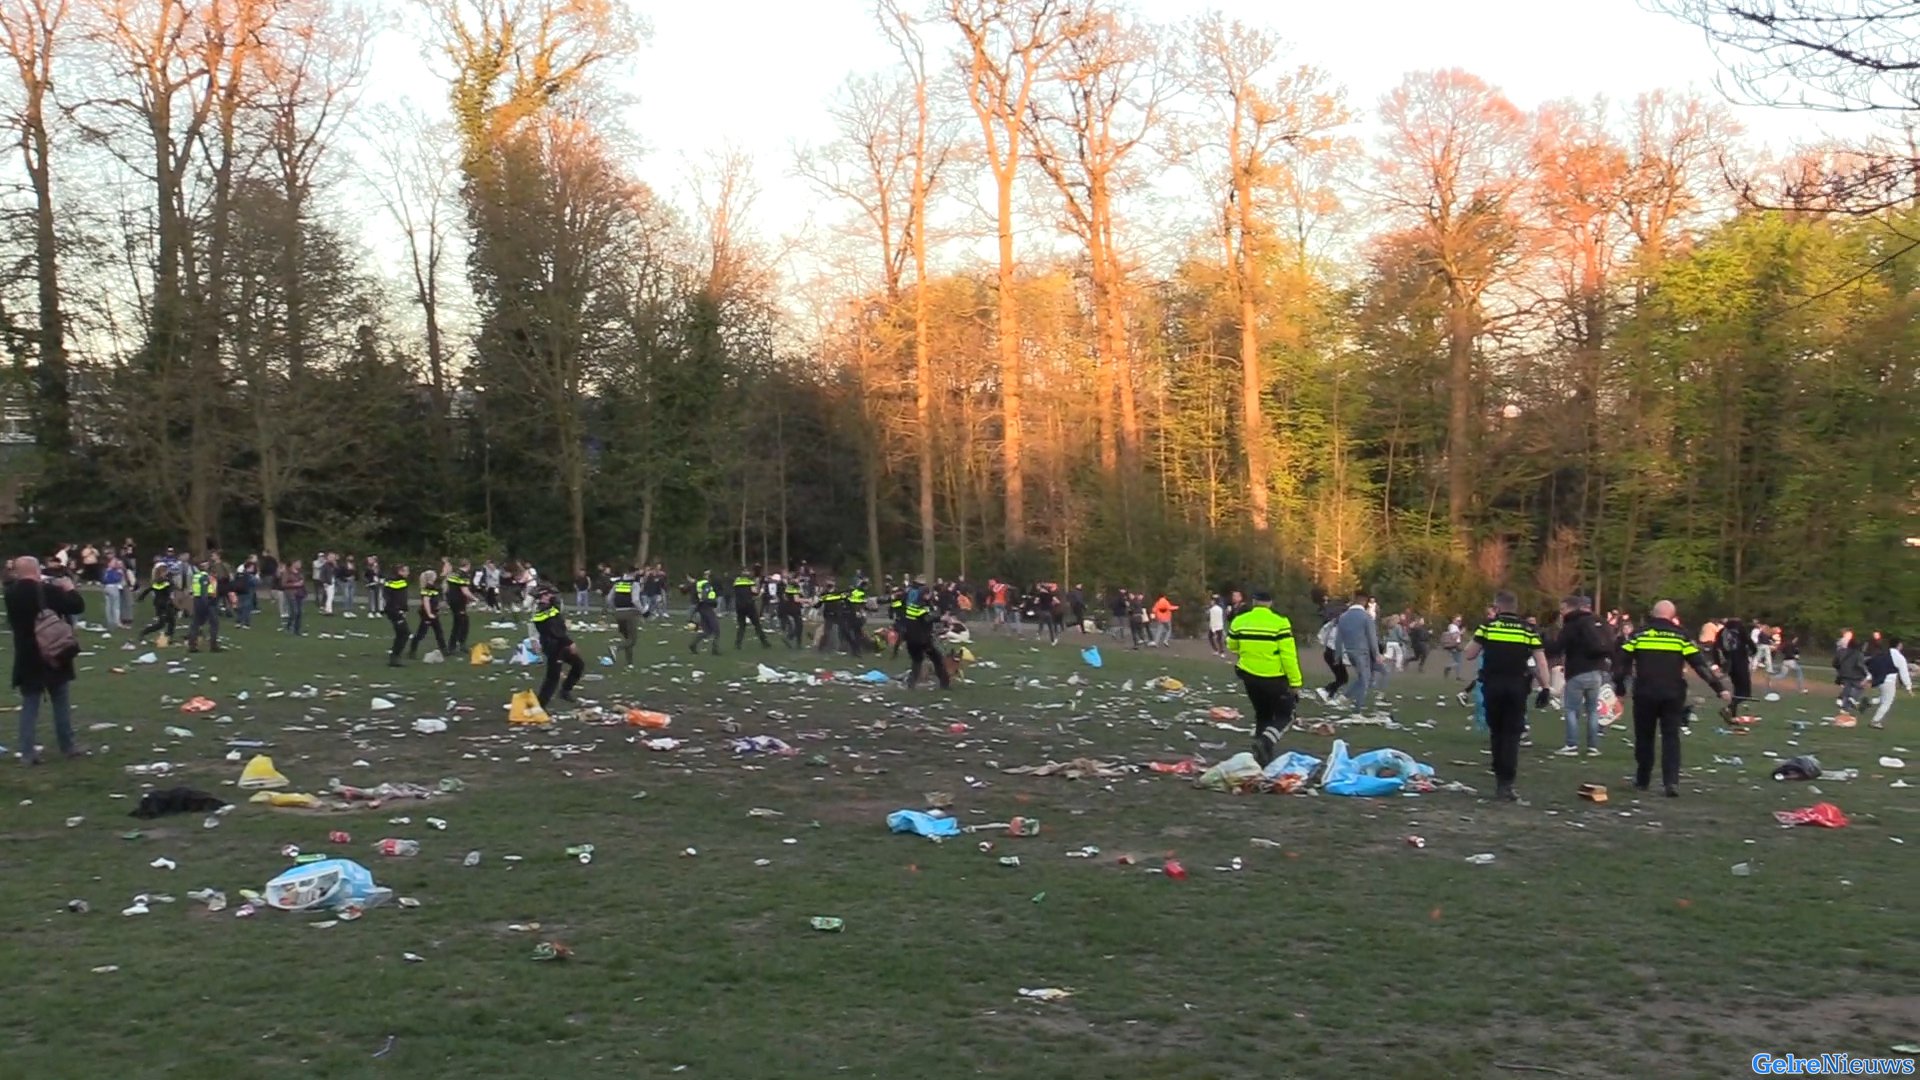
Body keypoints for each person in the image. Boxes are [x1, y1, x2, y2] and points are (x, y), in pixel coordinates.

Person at [1614, 600, 1730, 797]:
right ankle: (1671, 782)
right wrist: (1719, 688)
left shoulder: (1639, 634)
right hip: (1673, 693)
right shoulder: (1681, 636)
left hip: (1645, 693)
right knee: (1671, 737)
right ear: (1673, 615)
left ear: (1653, 613)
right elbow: (1699, 665)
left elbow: (1621, 662)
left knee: (1644, 737)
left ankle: (1642, 780)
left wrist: (1619, 687)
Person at [1462, 591, 1554, 802]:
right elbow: (1541, 662)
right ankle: (1507, 783)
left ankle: (1498, 771)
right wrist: (1545, 687)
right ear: (1516, 607)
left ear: (1497, 607)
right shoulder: (1528, 630)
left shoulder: (1488, 627)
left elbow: (1469, 654)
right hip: (1517, 686)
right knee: (1512, 734)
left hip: (1493, 685)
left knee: (1496, 731)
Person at [7, 556, 86, 763]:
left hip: (26, 655)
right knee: (60, 701)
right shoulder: (47, 591)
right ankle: (67, 745)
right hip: (54, 652)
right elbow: (77, 606)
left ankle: (27, 752)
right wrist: (69, 588)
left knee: (30, 704)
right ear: (36, 569)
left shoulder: (11, 593)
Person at [1226, 590, 1303, 766]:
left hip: (1249, 675)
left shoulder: (1240, 621)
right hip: (1274, 676)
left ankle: (1261, 759)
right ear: (1270, 603)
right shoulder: (1280, 623)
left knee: (1262, 715)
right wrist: (1295, 682)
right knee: (1286, 715)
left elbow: (1231, 645)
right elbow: (1288, 655)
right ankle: (1265, 742)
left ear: (1254, 602)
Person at [1555, 596, 1608, 757]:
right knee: (1592, 711)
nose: (1561, 612)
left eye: (1563, 608)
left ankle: (1572, 744)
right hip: (1596, 671)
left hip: (1577, 671)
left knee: (1572, 709)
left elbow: (1559, 646)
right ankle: (1593, 746)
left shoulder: (1572, 624)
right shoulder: (1598, 622)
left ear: (1572, 608)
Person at [530, 585, 584, 709]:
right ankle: (540, 705)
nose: (553, 596)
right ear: (543, 596)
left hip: (560, 644)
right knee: (552, 677)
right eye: (549, 594)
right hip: (554, 647)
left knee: (578, 665)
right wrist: (569, 643)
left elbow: (559, 626)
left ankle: (565, 691)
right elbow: (554, 631)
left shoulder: (550, 609)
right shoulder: (543, 612)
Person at [1334, 594, 1383, 709]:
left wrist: (1338, 655)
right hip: (1362, 652)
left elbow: (1338, 638)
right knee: (1364, 680)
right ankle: (1357, 707)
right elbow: (1372, 637)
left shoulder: (1343, 617)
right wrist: (1377, 654)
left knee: (1363, 678)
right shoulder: (1366, 617)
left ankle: (1346, 698)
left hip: (1349, 651)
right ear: (1364, 603)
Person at [902, 582, 951, 690]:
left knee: (917, 661)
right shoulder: (922, 607)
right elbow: (926, 619)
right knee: (937, 659)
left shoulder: (911, 606)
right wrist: (941, 618)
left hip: (911, 639)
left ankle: (911, 684)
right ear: (926, 595)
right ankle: (945, 683)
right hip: (922, 640)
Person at [1866, 637, 1910, 729]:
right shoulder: (1899, 657)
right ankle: (1875, 721)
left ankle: (1868, 702)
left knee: (1884, 698)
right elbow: (1904, 673)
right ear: (1899, 645)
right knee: (1887, 702)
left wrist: (1869, 678)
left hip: (1879, 680)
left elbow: (1872, 664)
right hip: (1889, 681)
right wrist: (1908, 687)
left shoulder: (1883, 653)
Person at [1717, 616, 1754, 720]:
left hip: (1729, 664)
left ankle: (1732, 714)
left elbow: (1717, 648)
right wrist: (1750, 653)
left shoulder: (1721, 632)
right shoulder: (1740, 631)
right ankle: (1729, 708)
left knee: (1737, 689)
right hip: (1741, 663)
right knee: (1745, 692)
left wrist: (1720, 664)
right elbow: (1751, 645)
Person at [185, 555, 222, 654]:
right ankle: (213, 645)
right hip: (206, 601)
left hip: (198, 600)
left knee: (196, 623)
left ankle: (192, 645)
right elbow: (204, 591)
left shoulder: (196, 576)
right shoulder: (204, 577)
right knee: (214, 623)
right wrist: (207, 604)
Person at [135, 557, 178, 643]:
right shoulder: (165, 582)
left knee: (172, 621)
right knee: (161, 624)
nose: (165, 572)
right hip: (162, 605)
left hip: (165, 604)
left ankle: (168, 637)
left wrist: (141, 597)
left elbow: (148, 590)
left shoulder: (161, 581)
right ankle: (144, 633)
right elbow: (169, 591)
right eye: (163, 571)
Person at [407, 569, 448, 660]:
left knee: (439, 632)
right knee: (421, 634)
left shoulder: (433, 586)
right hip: (427, 614)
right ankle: (412, 651)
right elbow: (426, 601)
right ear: (431, 577)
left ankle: (444, 649)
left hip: (433, 613)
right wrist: (429, 613)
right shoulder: (427, 588)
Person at [733, 566, 771, 650]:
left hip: (739, 605)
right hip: (749, 605)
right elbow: (755, 592)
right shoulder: (750, 582)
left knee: (741, 625)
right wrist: (761, 592)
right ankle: (764, 642)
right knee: (757, 624)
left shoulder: (736, 582)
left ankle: (738, 643)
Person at [608, 567, 640, 664]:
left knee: (627, 639)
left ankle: (629, 662)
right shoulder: (634, 584)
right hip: (629, 612)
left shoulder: (618, 583)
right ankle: (615, 647)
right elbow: (635, 600)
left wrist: (614, 609)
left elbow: (609, 598)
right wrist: (643, 611)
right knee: (632, 640)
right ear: (634, 573)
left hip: (618, 613)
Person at [1833, 631, 1869, 713]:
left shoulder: (1841, 652)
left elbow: (1835, 663)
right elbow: (1860, 665)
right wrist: (1866, 673)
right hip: (1856, 676)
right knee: (1860, 688)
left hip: (1844, 675)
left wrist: (1840, 670)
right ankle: (1852, 698)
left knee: (1846, 690)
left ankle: (1844, 708)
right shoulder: (1858, 654)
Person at [382, 564, 411, 667]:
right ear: (400, 571)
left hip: (395, 611)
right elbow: (395, 598)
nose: (408, 573)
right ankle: (395, 656)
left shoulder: (398, 581)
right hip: (395, 611)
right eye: (406, 571)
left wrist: (404, 609)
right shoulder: (396, 582)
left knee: (401, 633)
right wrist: (399, 610)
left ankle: (395, 656)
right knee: (404, 633)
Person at [445, 560, 475, 654]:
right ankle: (454, 646)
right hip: (459, 602)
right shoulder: (463, 575)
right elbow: (465, 591)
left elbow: (447, 587)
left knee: (462, 622)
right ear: (468, 565)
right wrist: (474, 598)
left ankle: (458, 644)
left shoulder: (453, 574)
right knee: (460, 623)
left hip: (452, 601)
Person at [688, 570, 720, 655]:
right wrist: (713, 602)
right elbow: (705, 596)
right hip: (707, 607)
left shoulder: (698, 584)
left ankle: (693, 644)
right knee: (716, 630)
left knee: (707, 631)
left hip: (702, 608)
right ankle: (715, 650)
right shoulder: (705, 584)